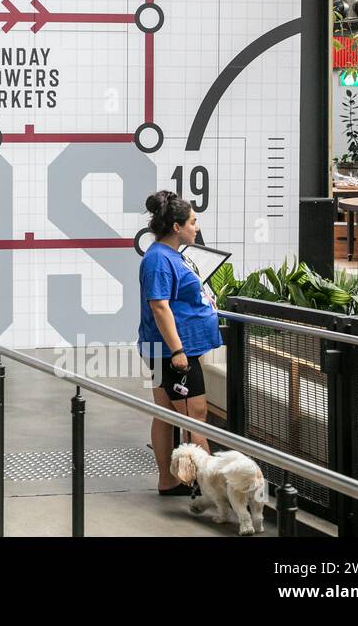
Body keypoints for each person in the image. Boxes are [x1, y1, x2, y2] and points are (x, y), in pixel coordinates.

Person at [138, 190, 221, 495]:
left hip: (170, 350)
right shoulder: (159, 259)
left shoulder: (171, 256)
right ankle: (213, 491)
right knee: (195, 417)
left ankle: (169, 480)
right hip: (173, 353)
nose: (196, 227)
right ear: (176, 227)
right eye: (192, 222)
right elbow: (159, 306)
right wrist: (178, 351)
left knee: (166, 413)